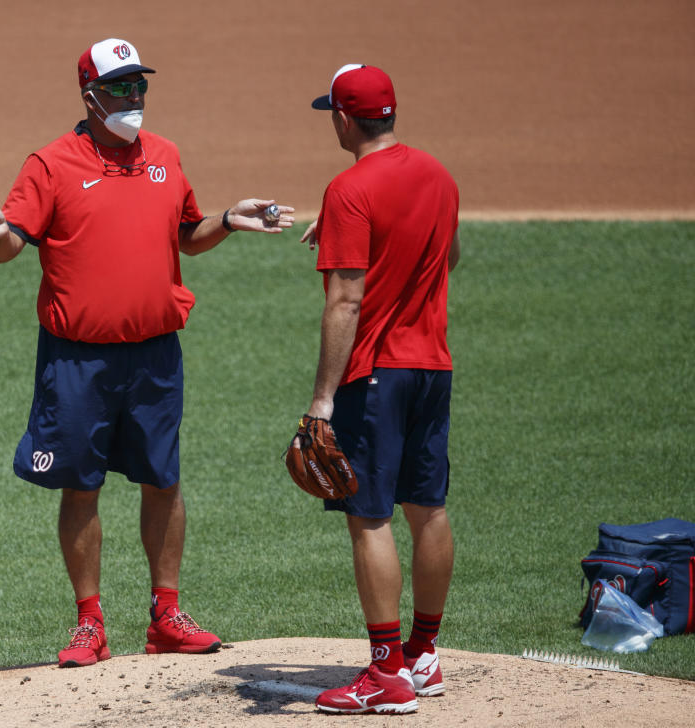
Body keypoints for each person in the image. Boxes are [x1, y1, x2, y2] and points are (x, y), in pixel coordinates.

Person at [0, 38, 293, 668]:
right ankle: (90, 624)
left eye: (139, 85)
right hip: (77, 361)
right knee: (80, 487)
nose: (133, 97)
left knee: (162, 480)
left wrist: (226, 218)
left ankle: (166, 614)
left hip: (155, 356)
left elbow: (186, 237)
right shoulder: (50, 163)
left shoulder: (164, 156)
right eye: (119, 87)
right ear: (88, 94)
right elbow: (10, 247)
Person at [298, 64, 460, 715]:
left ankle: (387, 673)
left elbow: (346, 300)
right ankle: (424, 654)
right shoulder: (438, 176)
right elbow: (445, 255)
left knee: (369, 517)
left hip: (377, 372)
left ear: (344, 118)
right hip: (433, 366)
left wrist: (322, 401)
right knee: (430, 508)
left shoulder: (349, 188)